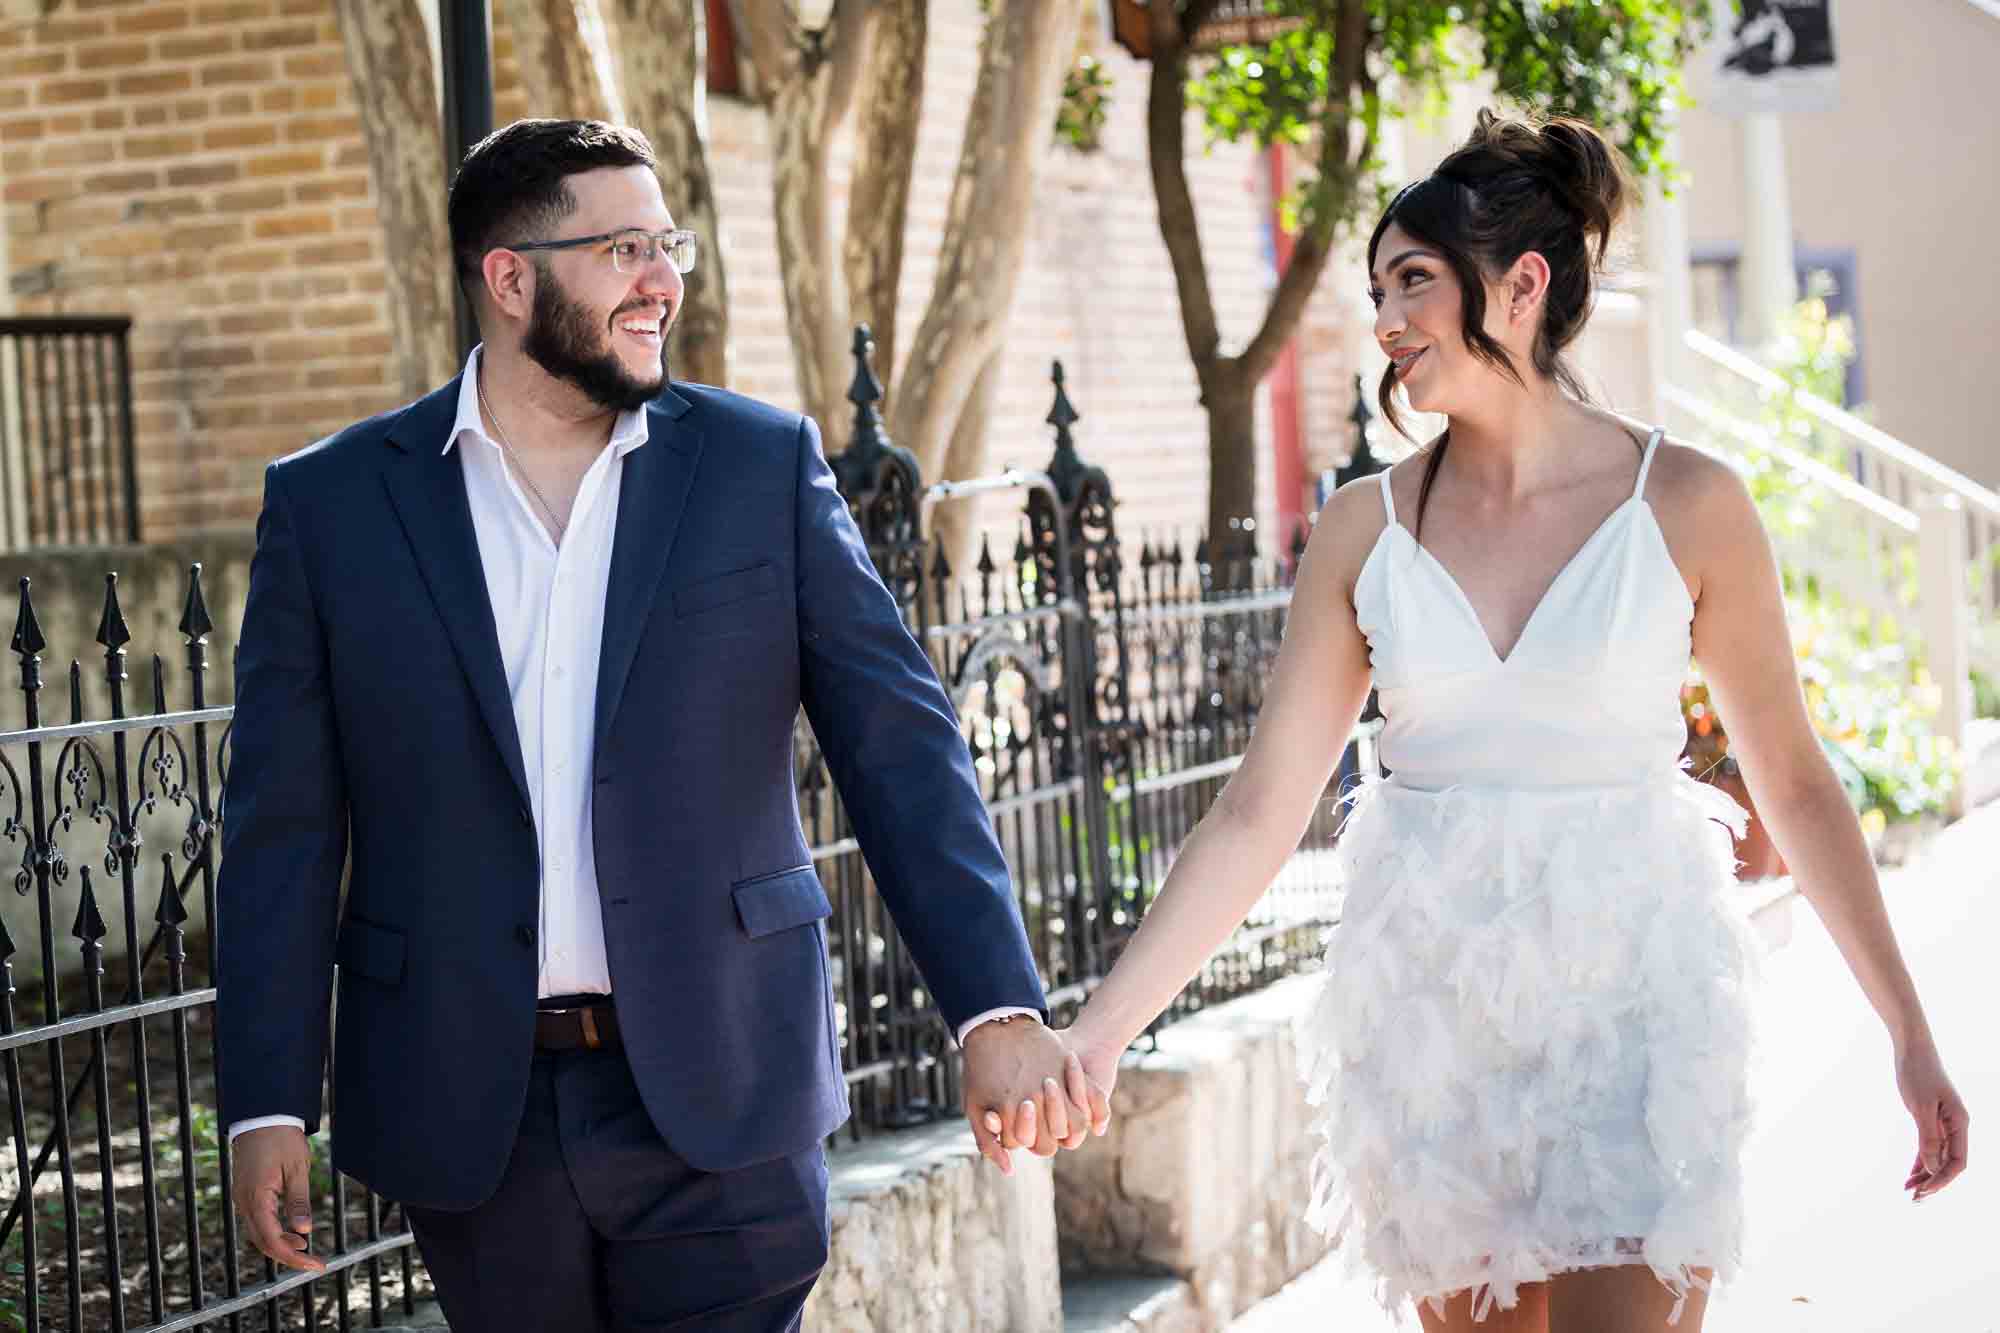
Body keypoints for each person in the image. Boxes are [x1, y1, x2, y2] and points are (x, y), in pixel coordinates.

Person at [1056, 110, 1969, 1331]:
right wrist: (1104, 1033)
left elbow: (1794, 784)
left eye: (1413, 282)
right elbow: (1255, 811)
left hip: (1636, 1012)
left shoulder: (1688, 504)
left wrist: (1907, 1032)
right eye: (1378, 288)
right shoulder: (1361, 531)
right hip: (1435, 1032)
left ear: (1521, 284)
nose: (1383, 322)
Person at [215, 118, 1094, 1332]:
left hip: (725, 1082)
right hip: (473, 1107)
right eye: (622, 246)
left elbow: (900, 750)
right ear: (509, 279)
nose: (662, 279)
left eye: (666, 243)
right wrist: (266, 1098)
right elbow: (282, 826)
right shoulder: (333, 505)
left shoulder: (756, 466)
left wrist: (994, 1005)